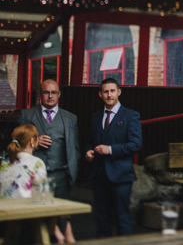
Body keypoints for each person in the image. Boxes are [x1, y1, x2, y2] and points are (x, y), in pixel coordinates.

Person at [18, 79, 80, 244]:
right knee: (38, 215)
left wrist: (72, 171)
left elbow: (74, 147)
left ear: (59, 94)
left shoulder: (71, 118)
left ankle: (63, 238)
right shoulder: (27, 115)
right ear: (40, 94)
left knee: (62, 213)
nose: (50, 96)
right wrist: (35, 141)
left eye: (53, 92)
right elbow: (15, 144)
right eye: (46, 92)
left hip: (61, 174)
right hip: (35, 176)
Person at [85, 78, 142, 238]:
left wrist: (109, 149)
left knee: (122, 218)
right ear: (100, 94)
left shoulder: (131, 116)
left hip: (121, 177)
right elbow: (90, 140)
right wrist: (88, 151)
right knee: (102, 218)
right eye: (105, 91)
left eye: (112, 91)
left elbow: (136, 145)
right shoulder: (95, 117)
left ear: (119, 92)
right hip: (99, 175)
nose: (109, 94)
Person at [0, 124, 47, 198]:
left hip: (5, 206)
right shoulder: (37, 163)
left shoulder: (5, 162)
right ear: (31, 140)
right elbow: (41, 192)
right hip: (25, 207)